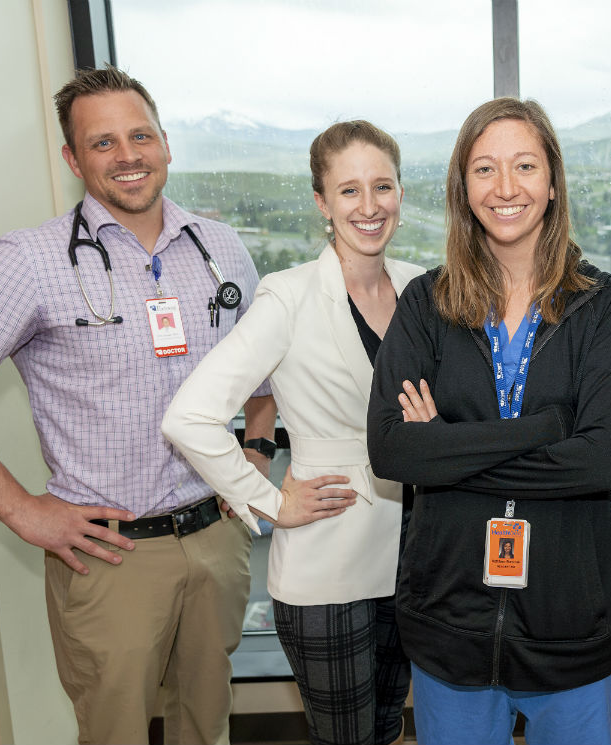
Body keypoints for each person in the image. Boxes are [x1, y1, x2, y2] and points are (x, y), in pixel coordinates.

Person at [0, 66, 275, 744]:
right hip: (111, 559)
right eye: (102, 142)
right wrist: (23, 509)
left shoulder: (218, 248)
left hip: (214, 541)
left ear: (166, 143)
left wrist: (254, 453)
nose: (127, 155)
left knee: (208, 724)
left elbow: (263, 376)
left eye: (140, 135)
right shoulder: (28, 261)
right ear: (72, 158)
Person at [367, 97, 611, 745]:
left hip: (571, 628)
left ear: (552, 184)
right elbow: (391, 450)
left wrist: (447, 448)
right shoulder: (425, 303)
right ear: (463, 188)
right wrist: (544, 427)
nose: (506, 187)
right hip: (450, 626)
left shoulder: (603, 307)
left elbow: (602, 461)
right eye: (485, 169)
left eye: (524, 166)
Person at [163, 121, 422, 745]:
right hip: (327, 561)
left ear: (399, 194)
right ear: (322, 202)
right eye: (349, 190)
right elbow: (189, 416)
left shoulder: (422, 288)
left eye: (382, 186)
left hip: (417, 557)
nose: (369, 206)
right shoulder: (288, 297)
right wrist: (271, 500)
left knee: (389, 730)